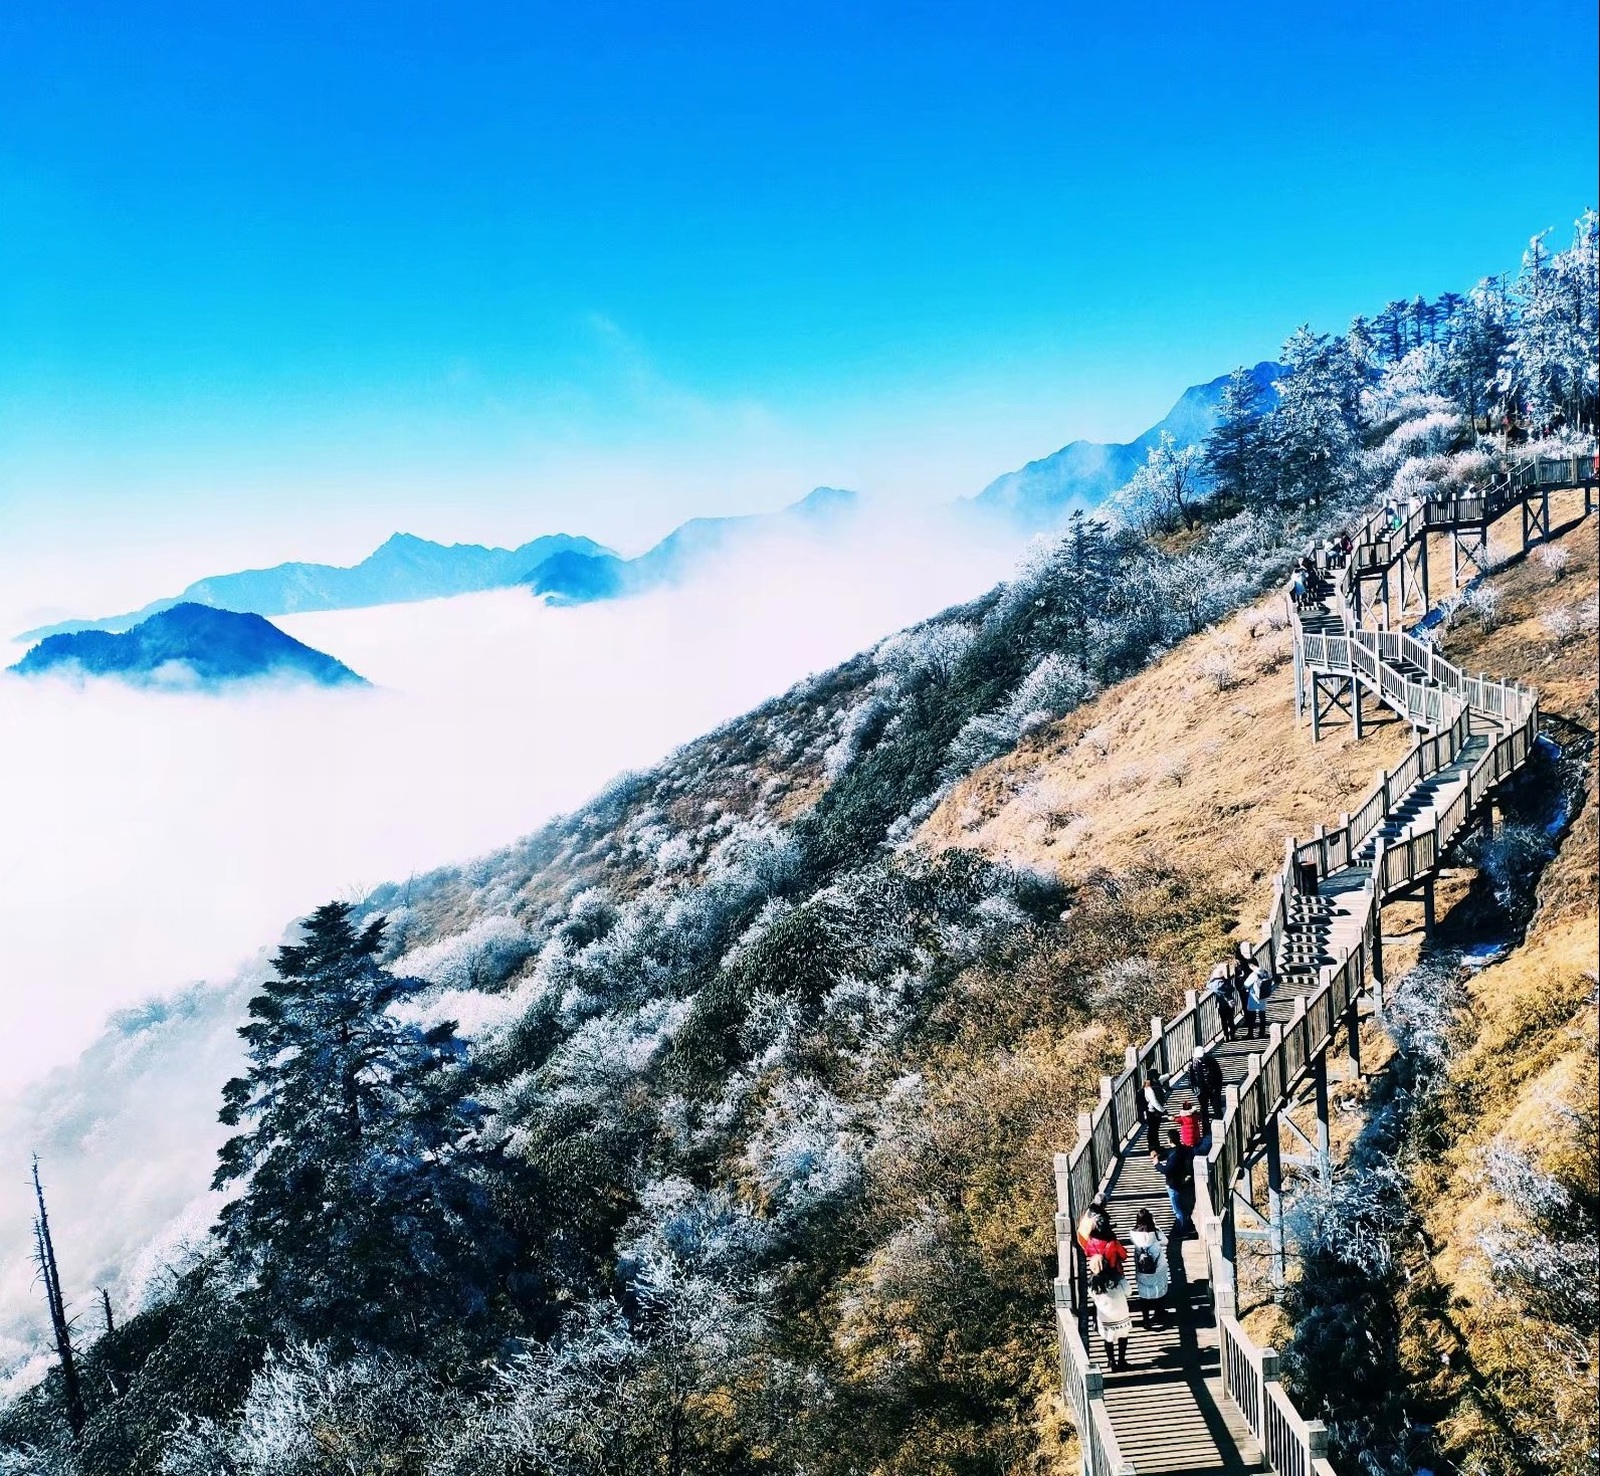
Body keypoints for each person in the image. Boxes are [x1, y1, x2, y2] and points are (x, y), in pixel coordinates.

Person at [1087, 1252, 1134, 1371]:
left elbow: (1093, 1297)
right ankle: (1122, 1360)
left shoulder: (1092, 1284)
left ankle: (1111, 1361)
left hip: (1105, 1316)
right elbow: (1129, 1292)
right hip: (1121, 1314)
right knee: (1123, 1336)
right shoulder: (1117, 1278)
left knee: (1108, 1339)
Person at [1130, 1207, 1170, 1329]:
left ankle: (1146, 1320)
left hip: (1142, 1267)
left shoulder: (1133, 1233)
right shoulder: (1156, 1232)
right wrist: (1157, 1227)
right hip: (1158, 1267)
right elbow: (1166, 1241)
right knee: (1159, 1289)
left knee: (1144, 1293)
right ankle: (1159, 1313)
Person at [1154, 1129, 1195, 1237]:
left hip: (1174, 1184)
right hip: (1184, 1183)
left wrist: (1157, 1164)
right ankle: (1189, 1228)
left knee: (1178, 1210)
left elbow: (1166, 1170)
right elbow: (1168, 1152)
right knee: (1184, 1208)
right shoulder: (1183, 1149)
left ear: (1169, 1140)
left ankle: (1182, 1232)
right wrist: (1159, 1155)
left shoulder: (1174, 1154)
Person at [1189, 1045, 1226, 1122]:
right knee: (1204, 1108)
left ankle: (1220, 1122)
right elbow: (1192, 1078)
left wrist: (1217, 1088)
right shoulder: (1193, 1064)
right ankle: (1206, 1126)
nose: (1200, 1059)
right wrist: (1195, 1089)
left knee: (1216, 1106)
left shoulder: (1212, 1061)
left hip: (1213, 1087)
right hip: (1201, 1089)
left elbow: (1219, 1075)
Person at [1206, 964, 1237, 1041]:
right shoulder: (1226, 982)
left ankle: (1226, 1036)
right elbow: (1232, 989)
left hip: (1221, 1005)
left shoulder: (1214, 985)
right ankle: (1232, 1035)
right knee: (1230, 1020)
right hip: (1229, 1004)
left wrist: (1211, 979)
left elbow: (1208, 985)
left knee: (1223, 1021)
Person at [1243, 962, 1271, 1039]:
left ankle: (1250, 1033)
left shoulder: (1253, 975)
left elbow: (1246, 985)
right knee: (1262, 1016)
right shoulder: (1266, 972)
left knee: (1252, 1016)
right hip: (1263, 997)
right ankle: (1262, 1033)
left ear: (1252, 966)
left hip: (1254, 997)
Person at [1141, 1065, 1165, 1154]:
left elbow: (1164, 1077)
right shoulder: (1149, 1089)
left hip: (1153, 1112)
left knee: (1154, 1129)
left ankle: (1155, 1146)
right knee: (1153, 1130)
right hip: (1152, 1112)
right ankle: (1153, 1148)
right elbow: (1154, 1102)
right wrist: (1163, 1110)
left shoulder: (1152, 1085)